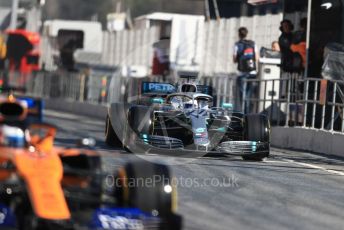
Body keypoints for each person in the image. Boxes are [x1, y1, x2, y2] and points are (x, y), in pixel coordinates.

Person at [233, 27, 259, 113]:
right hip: (252, 72)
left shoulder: (237, 44)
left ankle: (242, 113)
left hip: (241, 73)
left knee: (241, 94)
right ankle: (248, 113)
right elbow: (257, 58)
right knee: (249, 94)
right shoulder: (253, 44)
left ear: (239, 34)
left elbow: (234, 59)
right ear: (247, 33)